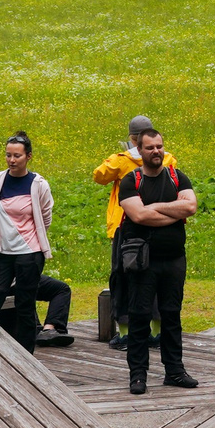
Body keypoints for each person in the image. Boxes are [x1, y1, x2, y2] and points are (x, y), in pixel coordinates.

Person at [115, 129, 198, 393]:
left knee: (171, 315)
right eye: (150, 148)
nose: (156, 152)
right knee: (139, 317)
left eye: (160, 146)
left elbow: (191, 207)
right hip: (142, 262)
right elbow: (138, 216)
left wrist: (156, 208)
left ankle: (174, 371)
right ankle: (138, 375)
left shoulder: (176, 176)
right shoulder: (131, 180)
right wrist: (173, 208)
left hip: (174, 259)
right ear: (139, 150)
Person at [93, 116, 181, 348]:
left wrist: (119, 157)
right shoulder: (168, 159)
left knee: (122, 279)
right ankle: (159, 332)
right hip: (163, 227)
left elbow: (99, 176)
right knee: (158, 280)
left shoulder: (121, 162)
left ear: (131, 139)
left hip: (125, 229)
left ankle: (125, 334)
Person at [0, 131, 73, 350]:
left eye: (17, 156)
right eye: (8, 155)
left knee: (25, 305)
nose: (12, 160)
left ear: (28, 157)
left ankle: (26, 355)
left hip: (29, 254)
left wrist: (28, 238)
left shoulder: (38, 184)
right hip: (1, 253)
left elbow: (45, 217)